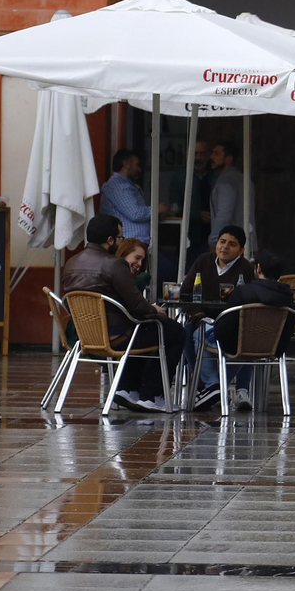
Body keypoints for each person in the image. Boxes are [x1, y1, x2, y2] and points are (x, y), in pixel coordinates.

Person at [63, 214, 184, 412]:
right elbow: (138, 306)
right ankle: (153, 395)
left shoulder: (71, 264)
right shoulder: (114, 264)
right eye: (120, 238)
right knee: (174, 331)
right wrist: (155, 309)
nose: (120, 242)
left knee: (144, 330)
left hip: (85, 337)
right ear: (110, 240)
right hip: (116, 336)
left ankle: (128, 389)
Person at [199, 251, 295, 412]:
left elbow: (225, 328)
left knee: (198, 331)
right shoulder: (290, 299)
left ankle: (213, 384)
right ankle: (239, 390)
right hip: (272, 348)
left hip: (238, 345)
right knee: (248, 339)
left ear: (258, 268)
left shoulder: (243, 292)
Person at [100, 149, 168, 245]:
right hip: (128, 245)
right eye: (136, 165)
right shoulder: (117, 186)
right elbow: (135, 213)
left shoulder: (125, 185)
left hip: (135, 243)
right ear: (126, 164)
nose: (139, 170)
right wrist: (157, 209)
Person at [182, 226, 258, 302]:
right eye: (222, 241)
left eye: (232, 244)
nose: (225, 247)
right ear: (216, 244)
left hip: (230, 313)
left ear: (241, 251)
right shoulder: (203, 260)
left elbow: (249, 302)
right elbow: (185, 292)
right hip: (199, 313)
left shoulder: (246, 268)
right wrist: (197, 312)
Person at [207, 141, 252, 247]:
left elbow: (224, 213)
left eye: (216, 154)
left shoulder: (226, 182)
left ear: (228, 159)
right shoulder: (244, 179)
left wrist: (215, 240)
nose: (211, 157)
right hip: (244, 241)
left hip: (230, 245)